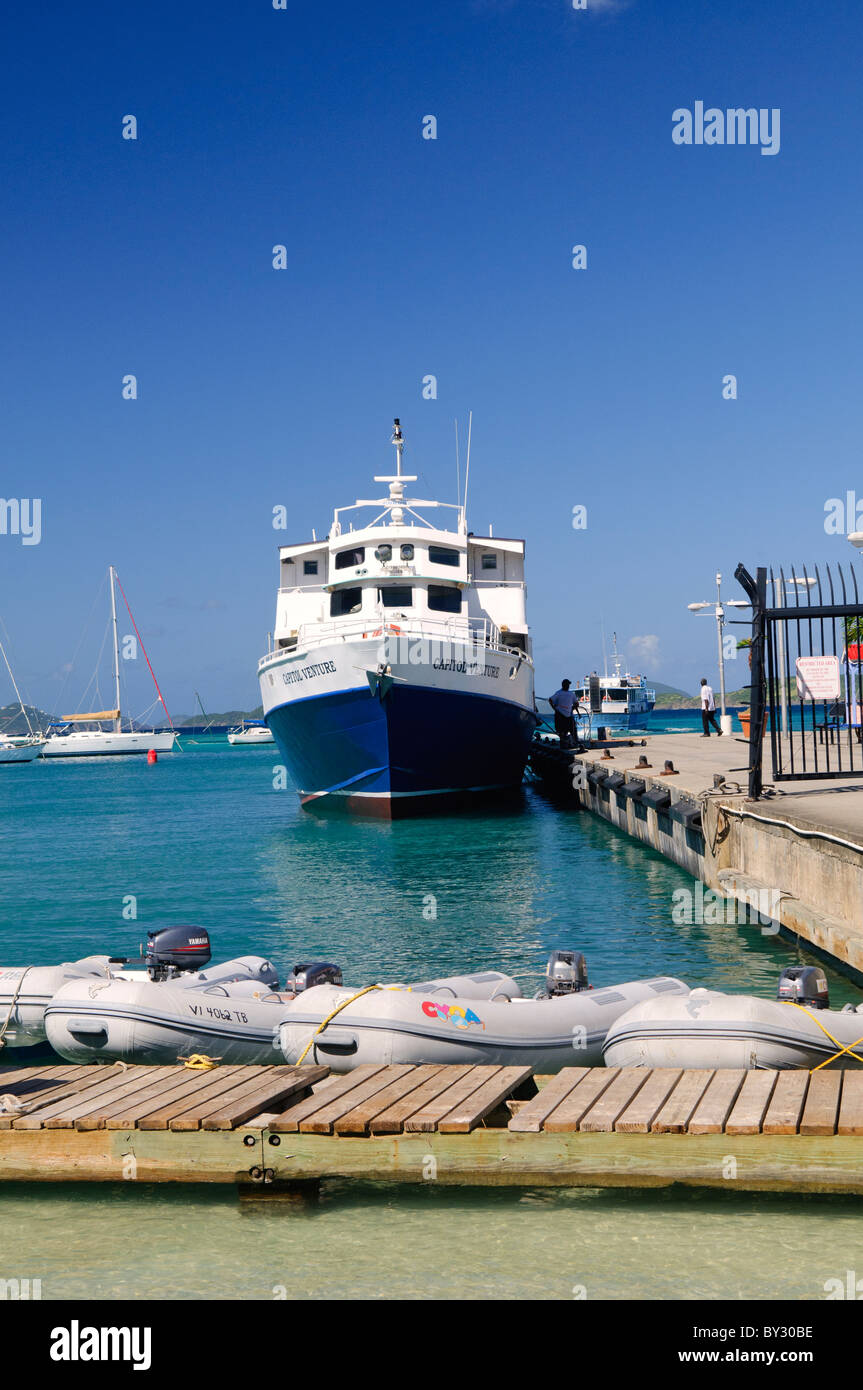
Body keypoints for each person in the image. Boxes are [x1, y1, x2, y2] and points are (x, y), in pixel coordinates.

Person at [549, 679, 579, 748]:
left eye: (568, 685)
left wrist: (572, 708)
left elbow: (576, 703)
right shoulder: (559, 693)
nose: (568, 686)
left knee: (570, 730)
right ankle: (565, 744)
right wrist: (555, 709)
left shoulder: (571, 694)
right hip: (561, 714)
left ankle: (572, 743)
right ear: (564, 685)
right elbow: (550, 700)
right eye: (567, 684)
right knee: (563, 731)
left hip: (566, 714)